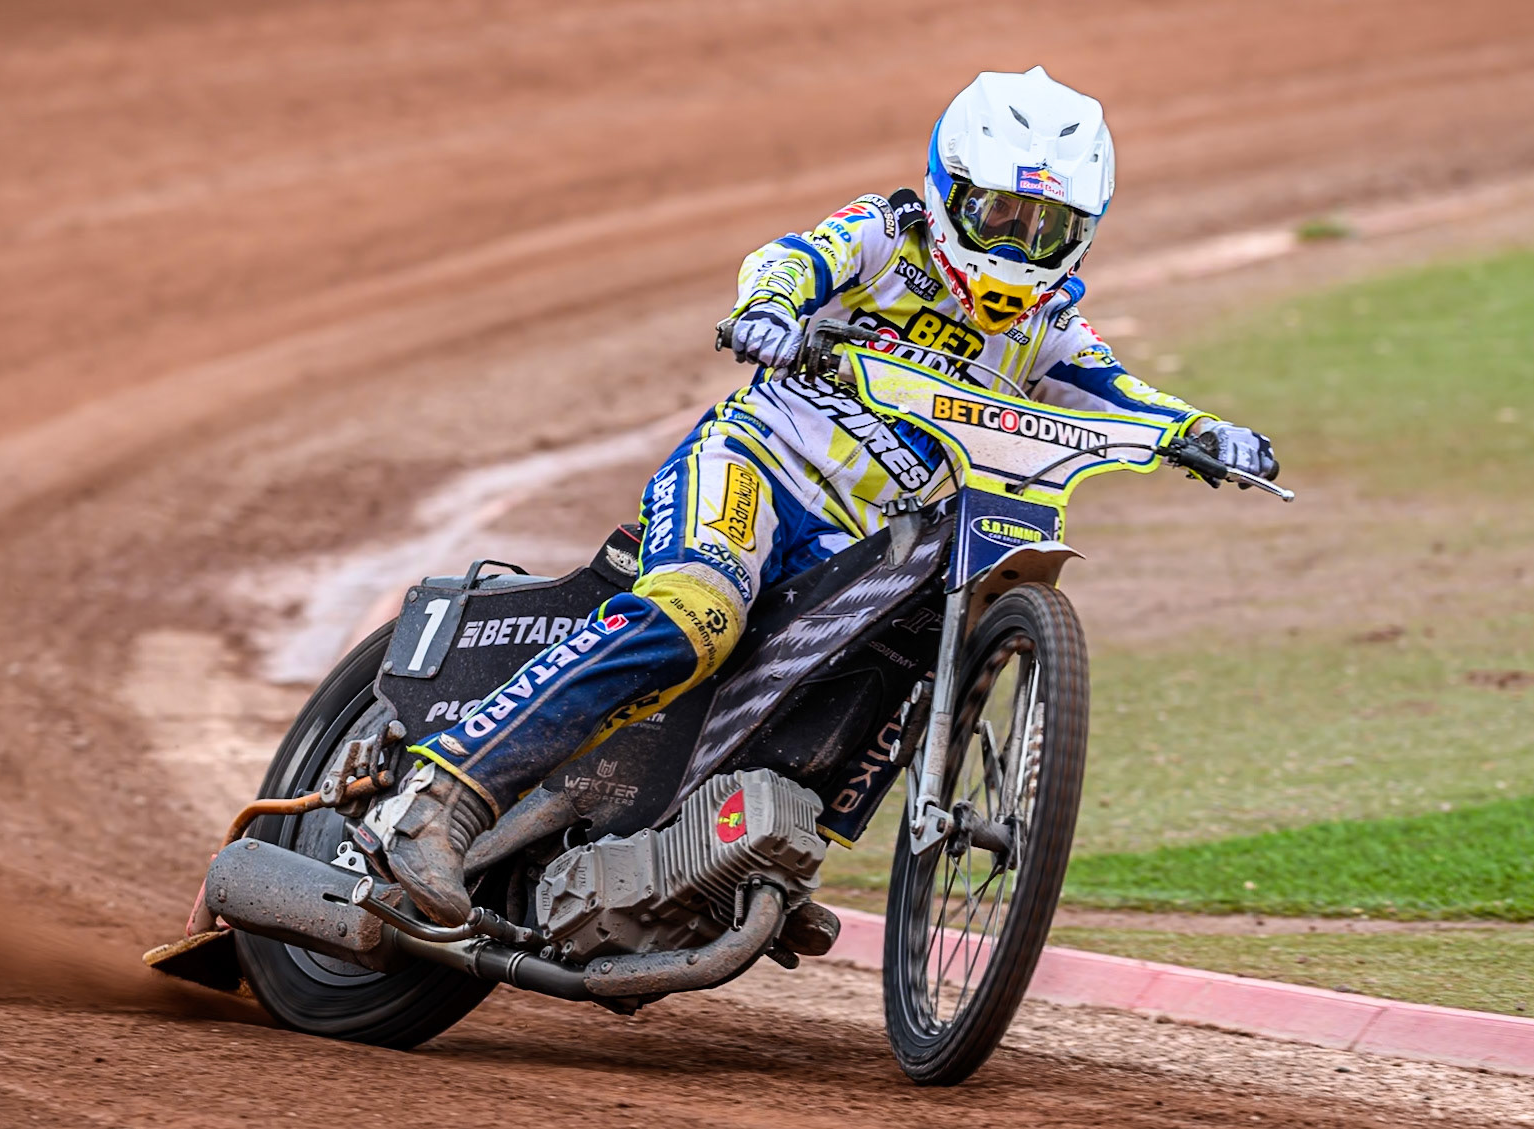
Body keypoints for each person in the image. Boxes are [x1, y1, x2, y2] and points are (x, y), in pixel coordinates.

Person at [364, 67, 1277, 927]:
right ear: (947, 190)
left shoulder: (1048, 327)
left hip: (859, 551)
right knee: (698, 614)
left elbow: (1124, 394)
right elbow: (791, 260)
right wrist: (769, 308)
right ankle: (440, 800)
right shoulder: (887, 234)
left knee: (911, 642)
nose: (1014, 245)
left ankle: (744, 845)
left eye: (1044, 227)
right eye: (997, 213)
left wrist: (1204, 434)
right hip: (756, 471)